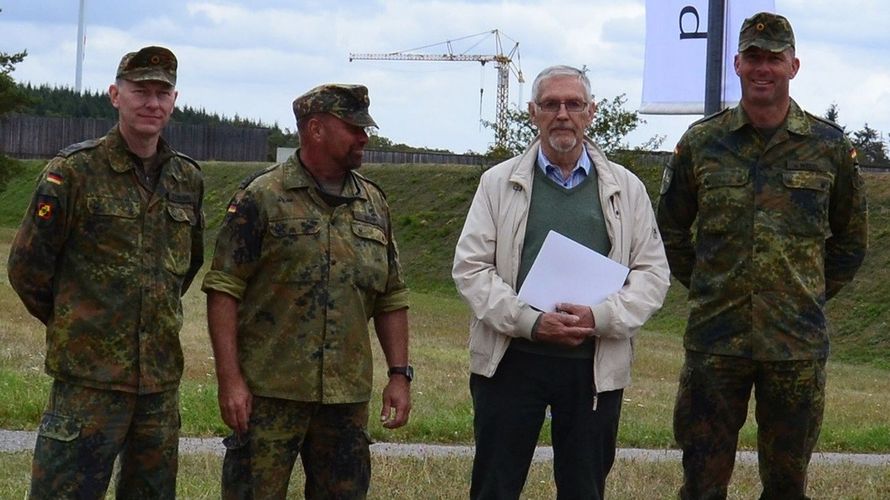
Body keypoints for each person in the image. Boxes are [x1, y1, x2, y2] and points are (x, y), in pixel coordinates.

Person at [656, 12, 868, 500]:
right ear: (737, 63)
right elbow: (669, 229)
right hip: (716, 342)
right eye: (754, 56)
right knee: (702, 483)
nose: (763, 67)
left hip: (795, 347)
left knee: (787, 484)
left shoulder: (829, 148)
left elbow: (851, 243)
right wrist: (712, 284)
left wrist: (804, 290)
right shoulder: (701, 143)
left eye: (774, 58)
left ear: (794, 66)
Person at [452, 65, 670, 500]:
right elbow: (471, 269)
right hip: (511, 359)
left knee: (584, 489)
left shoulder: (627, 189)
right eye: (551, 104)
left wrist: (600, 317)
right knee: (495, 486)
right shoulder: (497, 183)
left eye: (573, 104)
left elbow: (652, 274)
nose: (562, 114)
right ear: (533, 112)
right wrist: (530, 322)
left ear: (591, 112)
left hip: (592, 365)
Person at [7, 46, 203, 499]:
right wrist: (76, 321)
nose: (152, 103)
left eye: (162, 92)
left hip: (157, 385)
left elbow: (185, 265)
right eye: (141, 92)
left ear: (174, 100)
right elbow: (27, 268)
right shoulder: (74, 172)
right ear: (115, 95)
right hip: (88, 382)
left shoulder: (186, 179)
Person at [202, 83, 412, 499]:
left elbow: (391, 296)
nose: (364, 137)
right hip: (268, 392)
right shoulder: (261, 197)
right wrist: (230, 380)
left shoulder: (373, 203)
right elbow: (224, 288)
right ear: (315, 129)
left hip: (345, 398)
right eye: (353, 127)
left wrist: (399, 375)